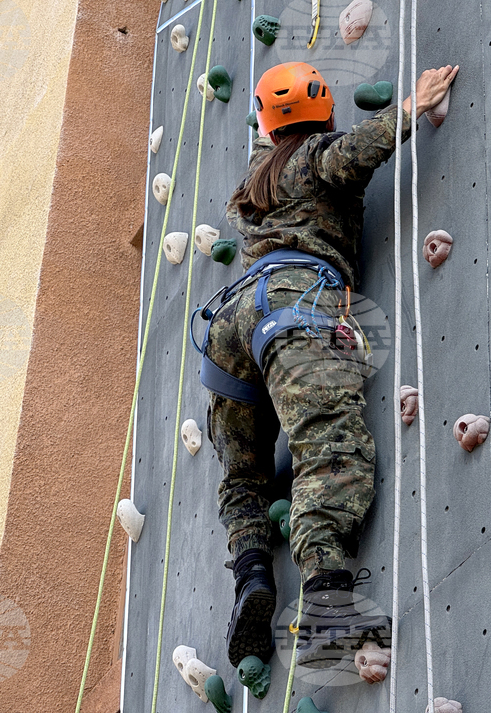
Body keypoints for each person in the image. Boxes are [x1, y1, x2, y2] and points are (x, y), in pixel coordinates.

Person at [196, 60, 458, 670]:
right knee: (328, 449)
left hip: (232, 324)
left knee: (243, 476)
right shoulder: (314, 156)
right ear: (325, 110)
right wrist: (414, 106)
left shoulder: (255, 184)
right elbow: (357, 152)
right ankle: (326, 602)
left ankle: (253, 577)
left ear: (265, 123)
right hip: (296, 304)